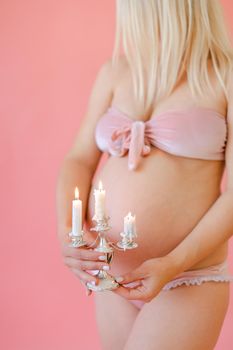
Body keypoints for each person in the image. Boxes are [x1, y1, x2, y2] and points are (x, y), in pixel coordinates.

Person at [56, 1, 233, 349]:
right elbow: (78, 159)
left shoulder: (224, 76)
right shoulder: (115, 72)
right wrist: (66, 229)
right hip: (112, 274)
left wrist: (173, 262)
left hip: (186, 275)